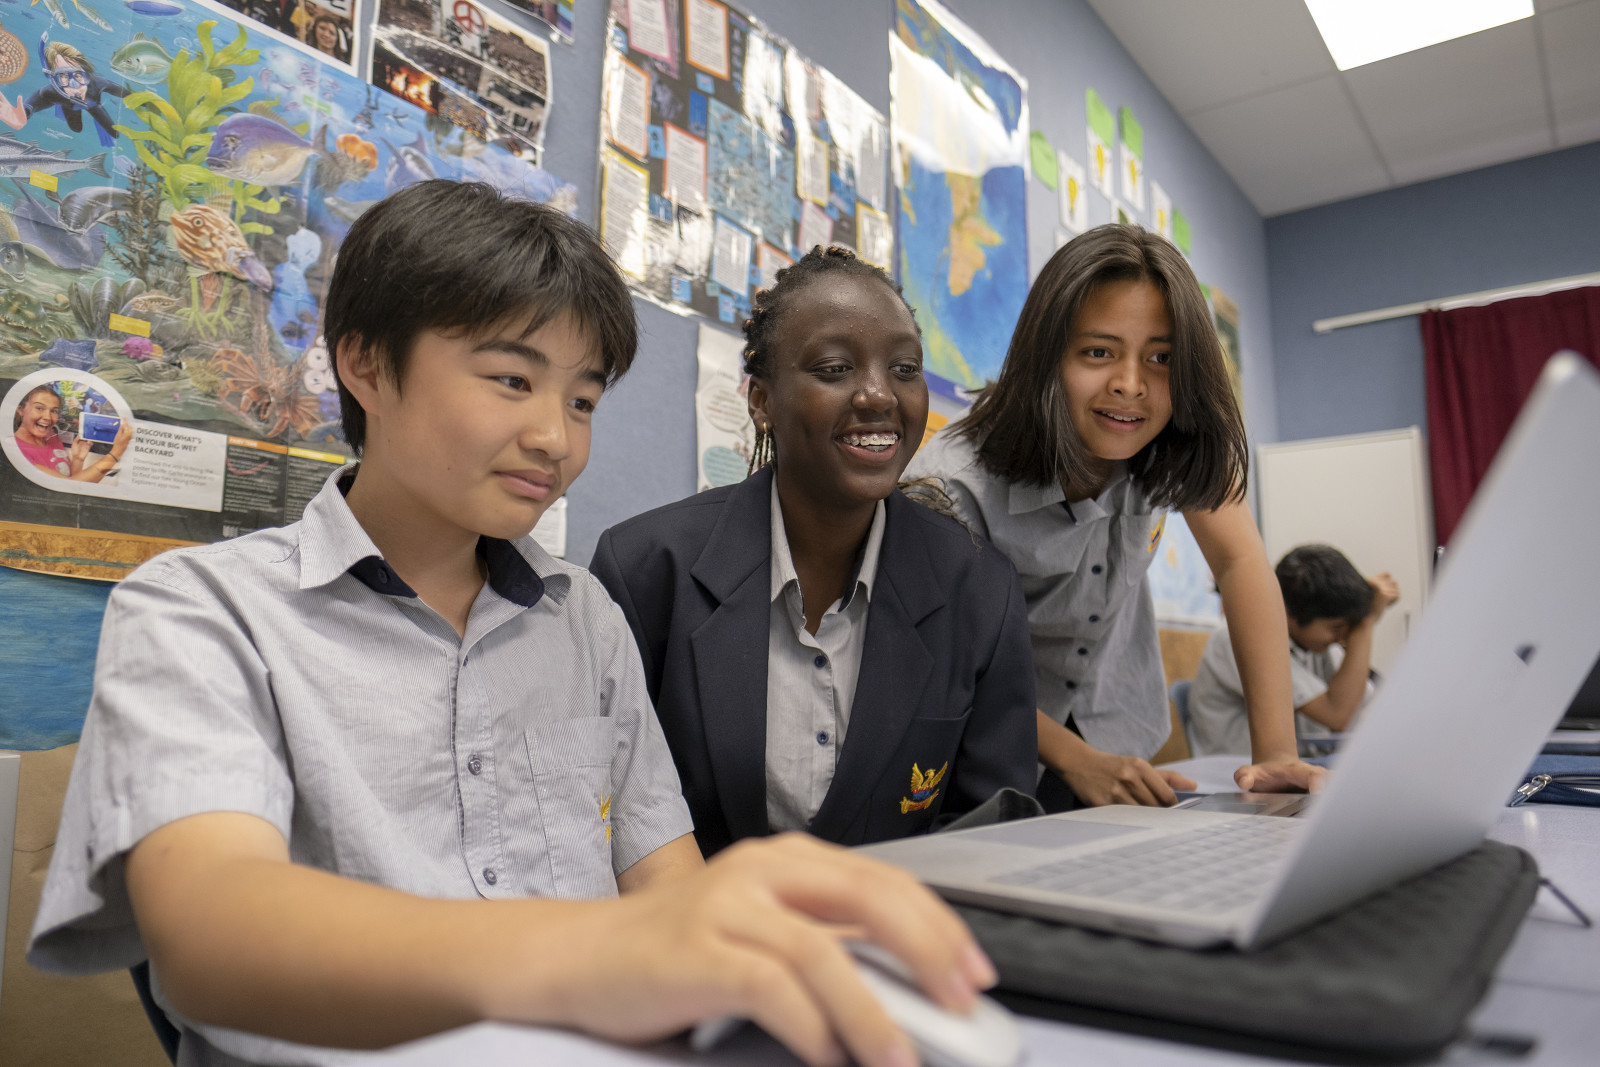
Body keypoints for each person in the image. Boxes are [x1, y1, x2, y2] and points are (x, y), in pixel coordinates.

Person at [28, 184, 995, 1067]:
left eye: (583, 400)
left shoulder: (586, 620)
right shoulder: (201, 610)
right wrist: (600, 956)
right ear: (365, 363)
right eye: (510, 380)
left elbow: (666, 885)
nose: (555, 437)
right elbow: (211, 939)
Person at [592, 245, 1038, 856]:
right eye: (834, 368)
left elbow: (992, 833)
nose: (879, 394)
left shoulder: (981, 590)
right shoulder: (645, 569)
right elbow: (602, 817)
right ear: (761, 402)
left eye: (904, 368)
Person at [906, 224, 1323, 809]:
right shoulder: (950, 485)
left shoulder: (1172, 442)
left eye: (1161, 358)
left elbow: (1240, 561)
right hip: (984, 742)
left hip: (1114, 725)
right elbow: (947, 659)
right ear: (1046, 356)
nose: (1130, 385)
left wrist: (1277, 753)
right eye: (1098, 352)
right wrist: (1078, 762)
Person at [1188, 545, 1400, 757]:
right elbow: (1338, 715)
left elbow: (1359, 706)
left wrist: (1361, 612)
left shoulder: (1314, 643)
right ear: (1289, 613)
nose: (1343, 637)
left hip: (1295, 764)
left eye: (1349, 628)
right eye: (1336, 628)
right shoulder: (1238, 635)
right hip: (1234, 769)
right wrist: (1366, 623)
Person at [0, 40, 131, 146]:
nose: (74, 85)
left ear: (87, 73)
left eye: (78, 75)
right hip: (68, 105)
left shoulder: (97, 83)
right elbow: (32, 104)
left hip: (93, 104)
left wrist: (141, 101)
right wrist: (23, 114)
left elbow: (126, 93)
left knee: (114, 133)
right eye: (63, 76)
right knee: (76, 128)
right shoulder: (51, 92)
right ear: (54, 79)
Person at [11, 384, 132, 482]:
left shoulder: (51, 436)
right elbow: (70, 486)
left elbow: (72, 484)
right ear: (21, 409)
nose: (47, 417)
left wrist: (78, 459)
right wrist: (116, 453)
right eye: (39, 408)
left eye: (54, 411)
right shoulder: (17, 451)